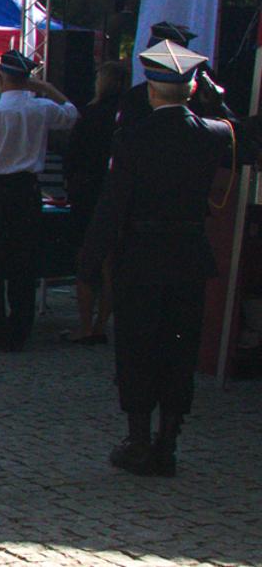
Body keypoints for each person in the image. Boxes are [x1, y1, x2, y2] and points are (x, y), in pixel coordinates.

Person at [82, 40, 261, 477]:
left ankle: (139, 438)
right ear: (193, 84)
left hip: (140, 257)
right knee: (179, 348)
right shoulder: (214, 133)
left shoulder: (132, 139)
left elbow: (113, 205)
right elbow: (250, 146)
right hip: (187, 256)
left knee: (138, 347)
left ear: (150, 90)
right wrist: (221, 104)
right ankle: (168, 441)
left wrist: (89, 259)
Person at [0, 50, 78, 351]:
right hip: (27, 190)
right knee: (24, 264)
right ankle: (20, 328)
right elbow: (72, 114)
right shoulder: (42, 107)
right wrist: (47, 88)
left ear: (0, 78)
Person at [64, 60, 128, 345]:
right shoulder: (130, 115)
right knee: (110, 262)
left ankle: (86, 324)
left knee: (87, 261)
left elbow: (72, 157)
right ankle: (101, 323)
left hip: (89, 194)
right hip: (117, 192)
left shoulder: (91, 115)